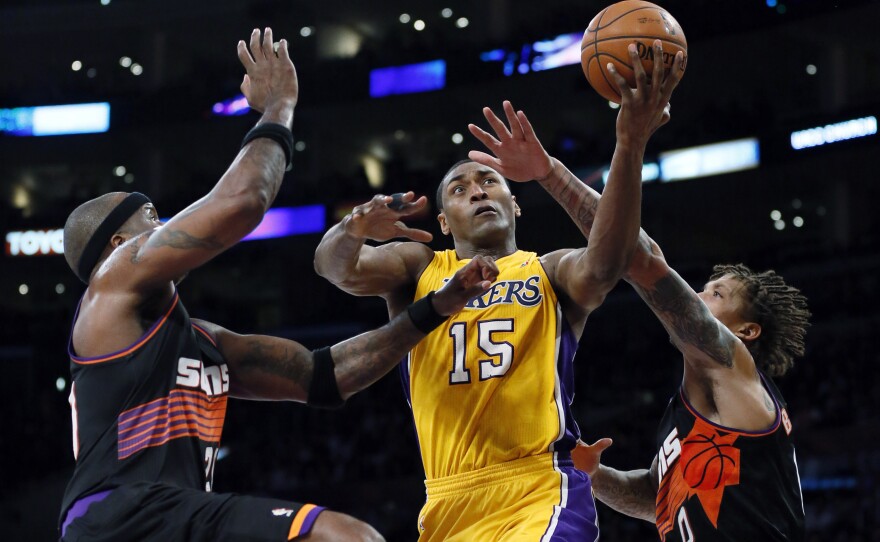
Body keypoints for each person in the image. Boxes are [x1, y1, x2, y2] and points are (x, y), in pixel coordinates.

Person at [58, 27, 499, 542]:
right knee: (344, 537)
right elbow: (242, 202)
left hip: (163, 517)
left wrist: (436, 308)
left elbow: (326, 376)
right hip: (126, 515)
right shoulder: (113, 280)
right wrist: (280, 105)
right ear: (116, 244)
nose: (165, 227)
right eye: (151, 218)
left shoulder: (201, 341)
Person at [314, 42, 684, 540]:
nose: (478, 191)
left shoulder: (549, 270)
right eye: (459, 189)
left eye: (489, 181)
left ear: (515, 203)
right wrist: (354, 227)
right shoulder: (418, 268)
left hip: (540, 488)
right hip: (447, 499)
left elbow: (613, 258)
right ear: (443, 222)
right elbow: (334, 268)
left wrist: (628, 145)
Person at [465, 48, 809, 541]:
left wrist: (556, 171)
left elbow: (640, 260)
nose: (694, 294)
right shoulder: (695, 403)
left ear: (746, 329)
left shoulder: (729, 362)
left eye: (715, 293)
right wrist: (592, 473)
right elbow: (656, 496)